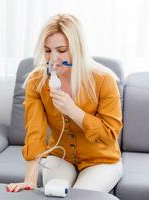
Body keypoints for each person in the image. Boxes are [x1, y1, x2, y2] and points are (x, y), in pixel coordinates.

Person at [6, 13, 123, 193]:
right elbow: (34, 133)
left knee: (80, 196)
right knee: (54, 193)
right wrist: (29, 181)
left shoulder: (104, 79)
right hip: (60, 158)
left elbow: (110, 134)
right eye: (47, 50)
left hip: (102, 161)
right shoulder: (37, 81)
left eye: (61, 50)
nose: (53, 59)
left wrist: (73, 110)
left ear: (78, 49)